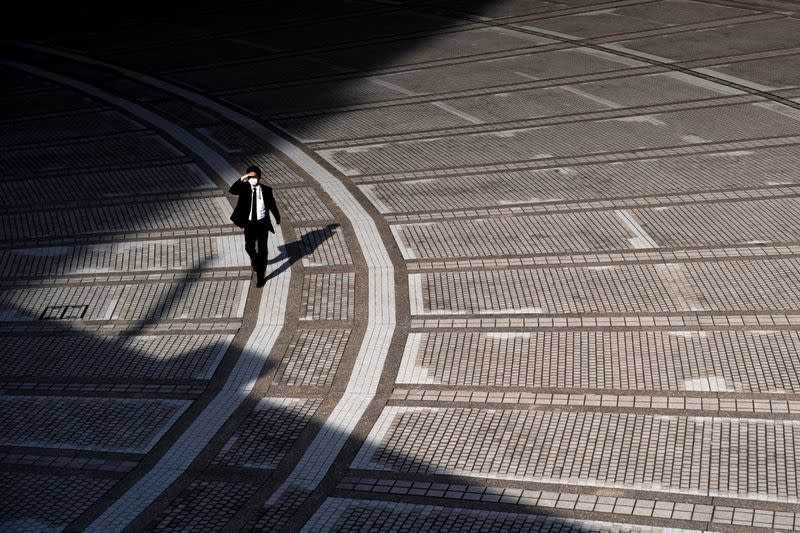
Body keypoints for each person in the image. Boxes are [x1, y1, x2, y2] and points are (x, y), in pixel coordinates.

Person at [229, 165, 281, 288]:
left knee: (263, 251)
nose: (253, 179)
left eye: (255, 177)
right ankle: (256, 261)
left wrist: (277, 217)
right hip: (249, 224)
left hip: (262, 224)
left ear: (259, 177)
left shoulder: (266, 190)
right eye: (250, 177)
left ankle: (260, 278)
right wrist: (244, 177)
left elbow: (272, 204)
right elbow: (232, 190)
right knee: (249, 247)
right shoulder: (244, 188)